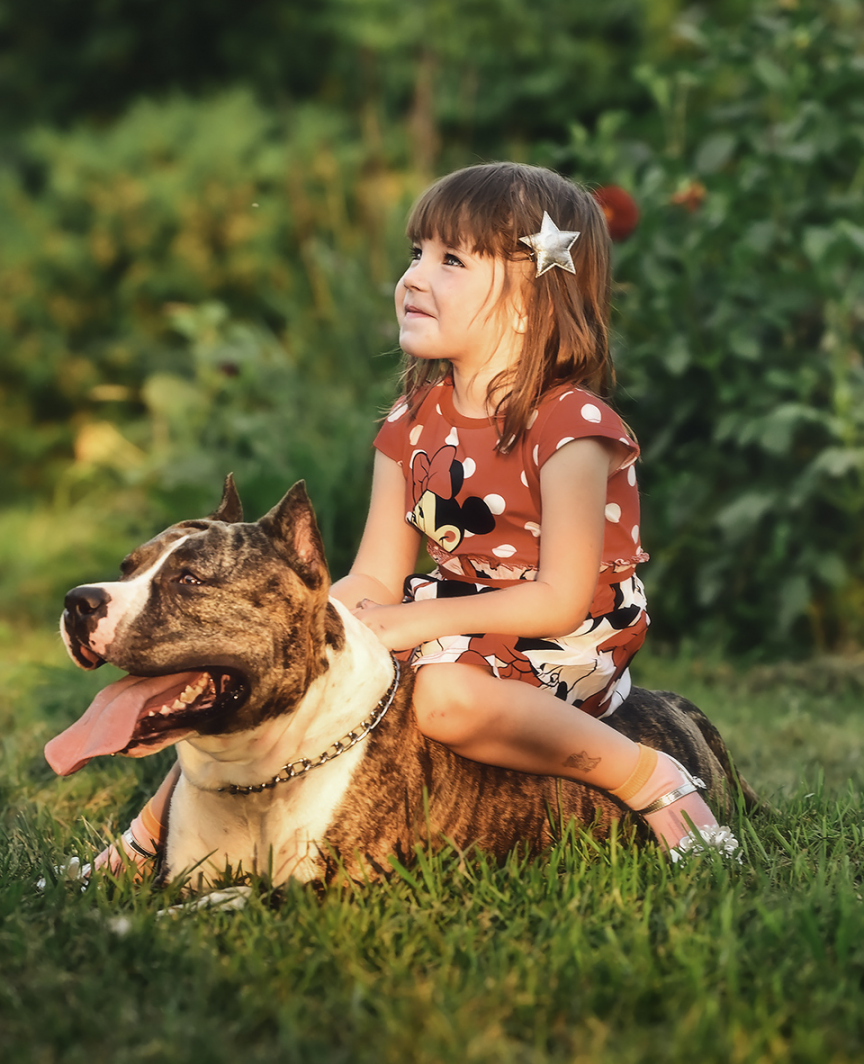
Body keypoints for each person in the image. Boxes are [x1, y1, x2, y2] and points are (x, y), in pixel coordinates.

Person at [101, 162, 733, 875]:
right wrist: (311, 623)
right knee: (283, 668)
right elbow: (376, 572)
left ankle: (645, 776)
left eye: (452, 260)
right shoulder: (410, 422)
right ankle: (144, 841)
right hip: (453, 607)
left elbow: (559, 598)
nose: (414, 277)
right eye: (416, 254)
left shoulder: (572, 427)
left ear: (533, 296)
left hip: (573, 629)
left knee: (441, 699)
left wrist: (407, 625)